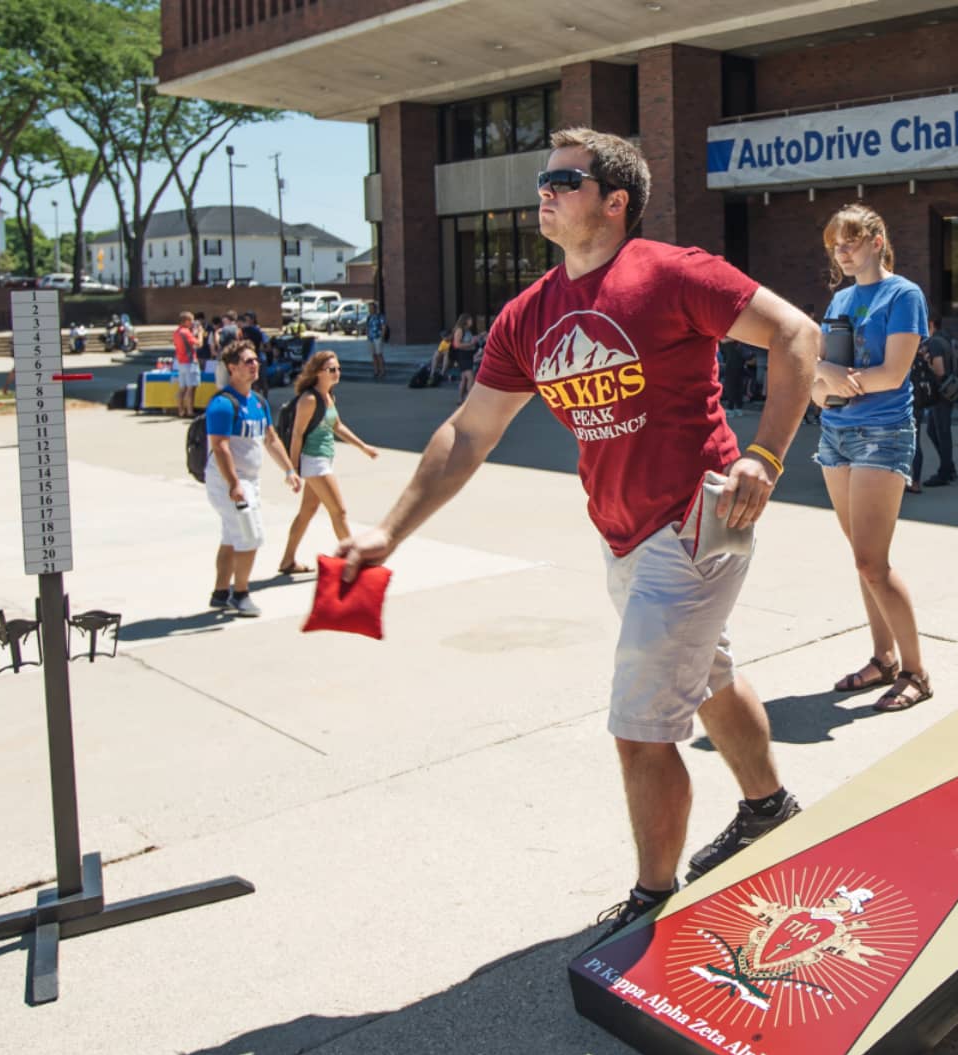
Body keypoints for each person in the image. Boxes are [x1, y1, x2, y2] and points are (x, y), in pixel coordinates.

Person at [337, 127, 816, 936]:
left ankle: (653, 904)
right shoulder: (530, 313)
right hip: (622, 533)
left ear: (615, 200)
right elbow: (469, 431)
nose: (545, 191)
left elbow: (798, 333)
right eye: (542, 179)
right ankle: (770, 807)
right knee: (707, 676)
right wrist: (390, 530)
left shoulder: (671, 273)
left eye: (564, 179)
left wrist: (766, 454)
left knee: (639, 725)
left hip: (699, 520)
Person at [813, 204, 934, 712]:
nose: (842, 253)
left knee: (873, 563)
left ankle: (916, 672)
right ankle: (882, 659)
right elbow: (817, 373)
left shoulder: (903, 295)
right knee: (863, 563)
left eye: (851, 242)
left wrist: (834, 381)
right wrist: (824, 380)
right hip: (835, 434)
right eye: (836, 245)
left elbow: (894, 373)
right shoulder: (841, 297)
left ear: (877, 241)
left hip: (882, 433)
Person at [205, 340, 302, 616]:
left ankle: (221, 592)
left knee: (231, 536)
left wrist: (288, 470)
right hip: (228, 480)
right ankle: (241, 593)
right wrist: (234, 483)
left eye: (256, 360)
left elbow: (270, 439)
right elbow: (220, 446)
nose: (254, 364)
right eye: (247, 361)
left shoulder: (258, 401)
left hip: (249, 480)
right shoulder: (223, 404)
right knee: (250, 535)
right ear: (232, 368)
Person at [275, 351, 378, 575]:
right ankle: (354, 561)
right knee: (339, 511)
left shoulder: (328, 396)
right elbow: (297, 435)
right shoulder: (309, 399)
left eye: (338, 369)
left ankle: (287, 561)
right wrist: (291, 470)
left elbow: (337, 426)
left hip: (323, 459)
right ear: (318, 372)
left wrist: (363, 447)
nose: (337, 373)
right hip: (314, 462)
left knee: (307, 512)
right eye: (332, 369)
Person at [919, 316, 958, 488]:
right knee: (934, 431)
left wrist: (924, 363)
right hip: (949, 391)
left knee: (942, 433)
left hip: (940, 393)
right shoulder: (945, 338)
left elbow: (939, 370)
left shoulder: (934, 343)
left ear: (931, 324)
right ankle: (948, 467)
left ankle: (945, 473)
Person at [173, 310, 203, 418]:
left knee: (182, 387)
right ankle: (189, 411)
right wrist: (200, 333)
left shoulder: (177, 332)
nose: (192, 322)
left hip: (181, 362)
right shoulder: (185, 332)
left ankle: (181, 410)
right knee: (191, 387)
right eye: (191, 320)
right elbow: (198, 344)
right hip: (190, 362)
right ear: (186, 321)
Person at [450, 313, 479, 401]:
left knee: (464, 378)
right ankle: (470, 399)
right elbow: (457, 344)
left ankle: (461, 398)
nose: (471, 322)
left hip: (468, 355)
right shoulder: (459, 330)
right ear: (465, 320)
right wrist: (471, 344)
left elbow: (468, 342)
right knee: (470, 376)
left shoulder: (467, 331)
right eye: (470, 320)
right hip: (462, 356)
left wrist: (475, 340)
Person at [365, 302, 388, 382]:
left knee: (379, 354)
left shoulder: (380, 317)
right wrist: (367, 335)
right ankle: (376, 371)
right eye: (369, 308)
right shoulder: (369, 317)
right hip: (371, 338)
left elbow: (383, 327)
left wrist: (382, 337)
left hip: (377, 338)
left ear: (375, 308)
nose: (370, 309)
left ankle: (382, 371)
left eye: (371, 308)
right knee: (373, 355)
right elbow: (367, 327)